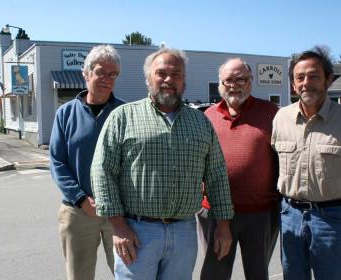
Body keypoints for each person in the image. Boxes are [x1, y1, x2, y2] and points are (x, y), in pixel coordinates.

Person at [91, 48, 234, 280]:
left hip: (185, 232)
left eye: (176, 74)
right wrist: (118, 226)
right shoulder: (123, 117)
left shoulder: (201, 122)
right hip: (136, 232)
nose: (169, 80)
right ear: (148, 78)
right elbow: (103, 171)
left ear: (184, 80)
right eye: (161, 73)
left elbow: (216, 175)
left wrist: (223, 226)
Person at [198, 58, 279, 280]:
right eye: (229, 80)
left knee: (258, 273)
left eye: (241, 79)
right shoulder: (208, 116)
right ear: (220, 84)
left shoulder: (271, 112)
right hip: (214, 212)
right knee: (214, 274)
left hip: (260, 213)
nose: (234, 84)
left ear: (251, 81)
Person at [49, 45, 125, 280]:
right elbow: (57, 162)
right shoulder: (65, 113)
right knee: (79, 276)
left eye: (113, 75)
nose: (106, 79)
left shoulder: (124, 112)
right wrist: (81, 199)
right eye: (101, 72)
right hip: (78, 212)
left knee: (128, 273)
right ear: (86, 73)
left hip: (119, 213)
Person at [272, 46, 341, 280]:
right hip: (289, 215)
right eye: (299, 78)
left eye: (313, 76)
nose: (306, 83)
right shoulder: (281, 118)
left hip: (332, 219)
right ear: (293, 84)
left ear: (328, 80)